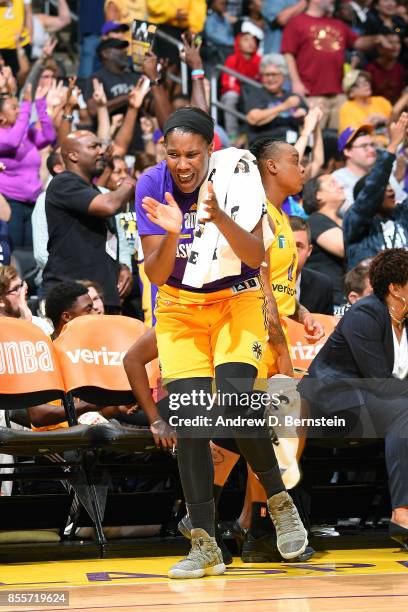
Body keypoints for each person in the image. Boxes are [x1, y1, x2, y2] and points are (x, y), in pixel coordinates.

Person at [134, 106, 308, 578]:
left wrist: (219, 219)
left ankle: (279, 498)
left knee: (234, 399)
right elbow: (153, 272)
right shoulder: (151, 184)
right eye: (173, 154)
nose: (182, 164)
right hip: (179, 308)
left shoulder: (239, 174)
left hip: (236, 299)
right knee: (190, 420)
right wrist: (172, 233)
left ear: (210, 149)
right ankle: (205, 543)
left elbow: (254, 255)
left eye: (191, 154)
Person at [298, 248, 408, 551]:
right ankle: (402, 512)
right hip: (330, 401)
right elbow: (379, 382)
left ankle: (402, 512)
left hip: (374, 402)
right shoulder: (366, 313)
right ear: (396, 288)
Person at [42, 130, 135, 312]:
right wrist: (129, 183)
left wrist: (121, 267)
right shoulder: (63, 183)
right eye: (93, 146)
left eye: (100, 145)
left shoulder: (93, 190)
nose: (101, 151)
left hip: (103, 298)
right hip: (73, 300)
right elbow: (110, 205)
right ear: (73, 155)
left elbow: (106, 239)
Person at [281, 0, 391, 130]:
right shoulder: (297, 22)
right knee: (311, 137)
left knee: (342, 140)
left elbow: (358, 43)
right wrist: (296, 82)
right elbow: (288, 53)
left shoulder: (338, 24)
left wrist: (376, 39)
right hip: (311, 92)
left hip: (339, 94)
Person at [343, 113, 408, 270]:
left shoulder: (402, 216)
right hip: (372, 291)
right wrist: (392, 146)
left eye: (391, 186)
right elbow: (373, 188)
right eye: (384, 188)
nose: (391, 190)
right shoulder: (356, 223)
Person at [0, 84, 56, 249]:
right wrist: (26, 105)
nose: (19, 111)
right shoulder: (4, 136)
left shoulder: (25, 133)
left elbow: (49, 136)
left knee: (34, 253)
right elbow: (12, 141)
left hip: (34, 203)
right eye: (13, 107)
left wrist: (40, 105)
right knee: (15, 252)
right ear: (1, 116)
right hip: (11, 203)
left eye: (18, 106)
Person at [332, 124, 406, 214]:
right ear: (347, 151)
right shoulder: (337, 179)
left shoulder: (381, 172)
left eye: (372, 145)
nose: (371, 150)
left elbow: (402, 198)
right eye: (364, 146)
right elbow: (354, 212)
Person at [242, 53, 307, 145]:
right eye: (266, 75)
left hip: (291, 145)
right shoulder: (256, 94)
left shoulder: (292, 97)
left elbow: (306, 116)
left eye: (274, 74)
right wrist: (284, 106)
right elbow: (253, 118)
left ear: (283, 75)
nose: (270, 78)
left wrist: (303, 115)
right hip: (264, 146)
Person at [220, 30, 261, 141]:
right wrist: (243, 91)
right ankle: (232, 136)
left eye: (253, 40)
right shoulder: (232, 59)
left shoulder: (260, 61)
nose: (250, 43)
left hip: (253, 94)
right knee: (231, 96)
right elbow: (227, 83)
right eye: (246, 40)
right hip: (236, 94)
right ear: (238, 43)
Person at [289, 215, 334, 315]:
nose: (292, 251)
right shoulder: (262, 281)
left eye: (298, 246)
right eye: (287, 244)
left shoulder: (322, 285)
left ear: (309, 251)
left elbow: (326, 327)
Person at [0, 264, 53, 335]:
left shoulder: (40, 325)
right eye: (16, 289)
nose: (23, 292)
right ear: (1, 301)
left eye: (22, 286)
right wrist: (26, 323)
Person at [338, 69, 392, 135]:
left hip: (388, 142)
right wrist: (367, 122)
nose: (366, 84)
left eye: (366, 81)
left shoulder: (381, 101)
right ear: (350, 93)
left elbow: (397, 124)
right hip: (366, 144)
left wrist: (386, 120)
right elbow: (346, 137)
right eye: (358, 83)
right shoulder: (346, 108)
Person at [365, 32, 406, 104]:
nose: (395, 46)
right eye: (390, 42)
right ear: (379, 48)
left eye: (398, 42)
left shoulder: (401, 69)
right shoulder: (370, 69)